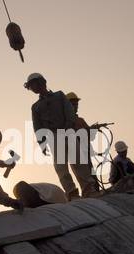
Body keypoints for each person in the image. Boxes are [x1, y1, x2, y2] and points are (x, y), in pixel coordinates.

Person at [24, 73, 102, 201]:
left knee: (79, 163)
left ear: (40, 82)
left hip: (67, 132)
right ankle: (72, 194)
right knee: (61, 168)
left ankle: (89, 190)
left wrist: (69, 124)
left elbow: (69, 111)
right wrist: (42, 143)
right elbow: (37, 126)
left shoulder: (59, 95)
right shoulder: (36, 106)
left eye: (32, 85)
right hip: (53, 136)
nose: (32, 88)